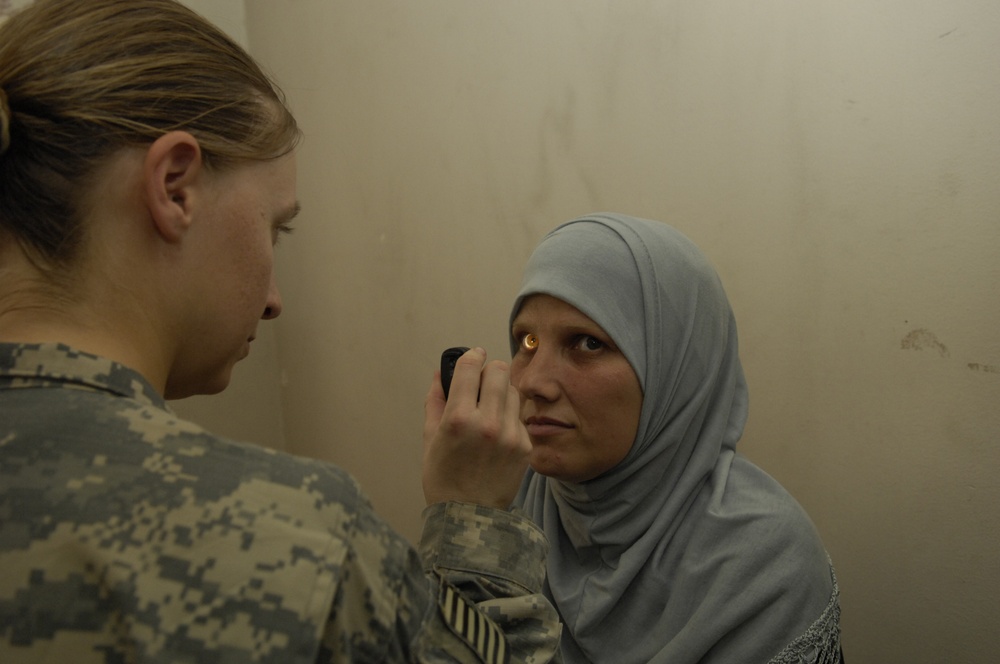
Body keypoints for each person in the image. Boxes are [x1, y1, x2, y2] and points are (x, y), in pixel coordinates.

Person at [0, 1, 561, 662]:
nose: (273, 302)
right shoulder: (296, 537)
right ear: (175, 187)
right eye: (275, 227)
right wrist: (473, 525)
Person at [508, 213, 843, 663]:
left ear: (675, 371)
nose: (534, 382)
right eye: (527, 341)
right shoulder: (512, 502)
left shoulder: (761, 565)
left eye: (587, 343)